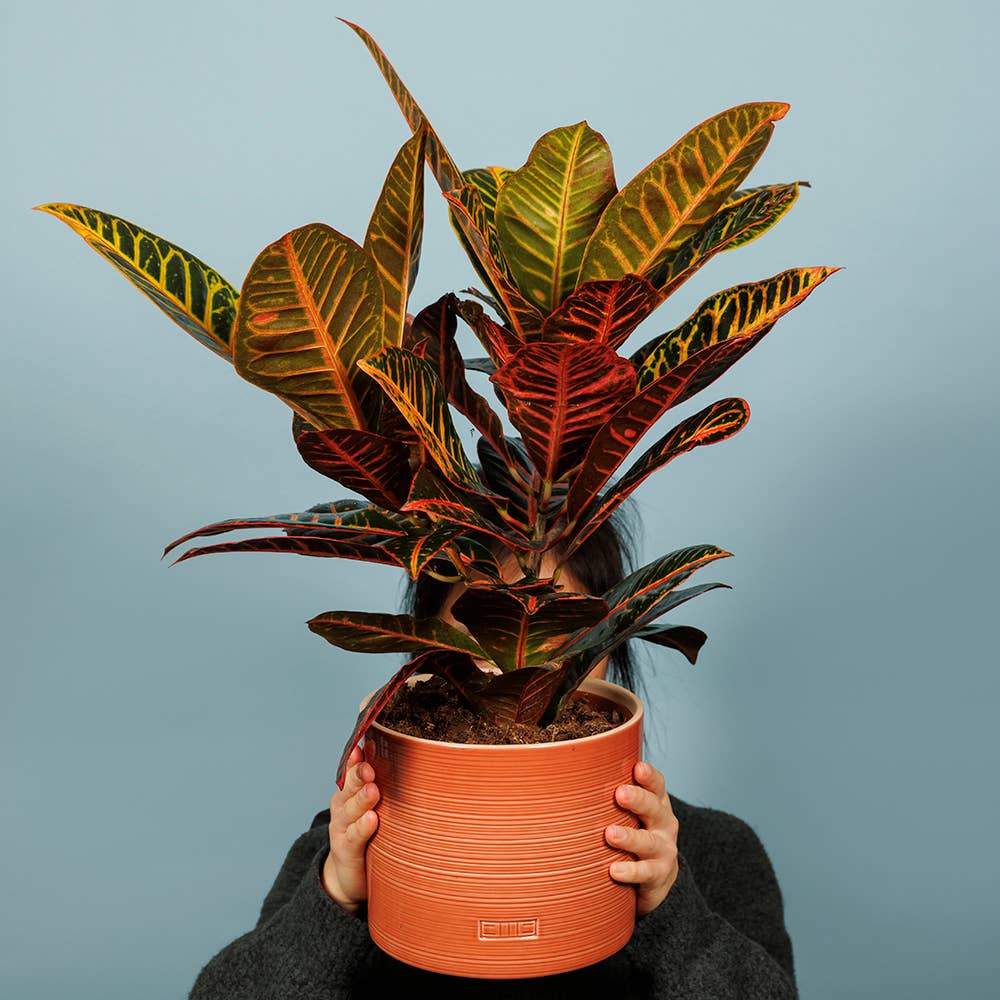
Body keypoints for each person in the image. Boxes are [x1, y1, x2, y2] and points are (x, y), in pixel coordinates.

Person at [188, 511, 798, 999]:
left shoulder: (717, 852)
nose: (520, 668)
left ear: (611, 647)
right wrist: (335, 900)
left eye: (560, 635)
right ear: (422, 653)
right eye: (483, 635)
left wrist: (671, 911)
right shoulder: (346, 853)